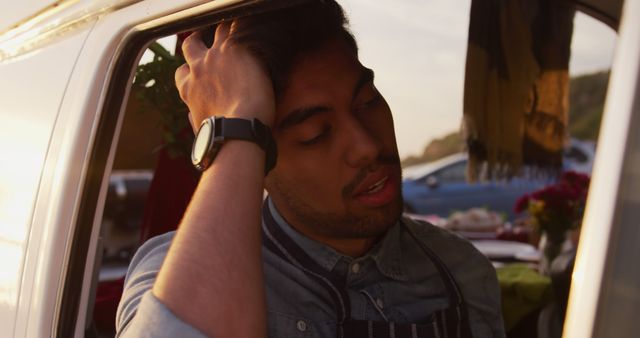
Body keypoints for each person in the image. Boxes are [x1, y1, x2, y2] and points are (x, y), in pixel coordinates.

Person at [116, 1, 505, 337]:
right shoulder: (170, 274)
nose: (367, 147)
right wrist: (235, 124)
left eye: (367, 101)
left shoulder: (462, 272)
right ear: (258, 157)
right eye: (316, 134)